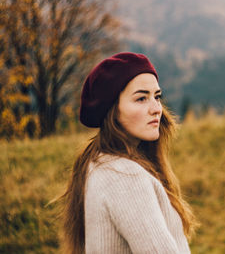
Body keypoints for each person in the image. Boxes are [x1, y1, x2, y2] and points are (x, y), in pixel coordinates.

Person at [61, 52, 198, 254]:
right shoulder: (125, 177)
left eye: (157, 97)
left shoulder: (100, 162)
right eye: (141, 98)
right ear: (112, 109)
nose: (156, 109)